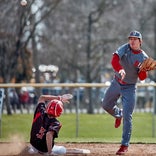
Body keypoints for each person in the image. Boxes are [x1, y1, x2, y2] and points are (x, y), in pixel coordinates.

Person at [102, 30, 149, 155]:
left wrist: (142, 69)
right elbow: (114, 60)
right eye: (130, 38)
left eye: (135, 39)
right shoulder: (125, 48)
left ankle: (124, 145)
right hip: (117, 82)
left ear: (140, 41)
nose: (132, 41)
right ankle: (118, 114)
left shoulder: (143, 57)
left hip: (130, 87)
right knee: (105, 105)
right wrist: (120, 69)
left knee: (128, 117)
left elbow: (143, 77)